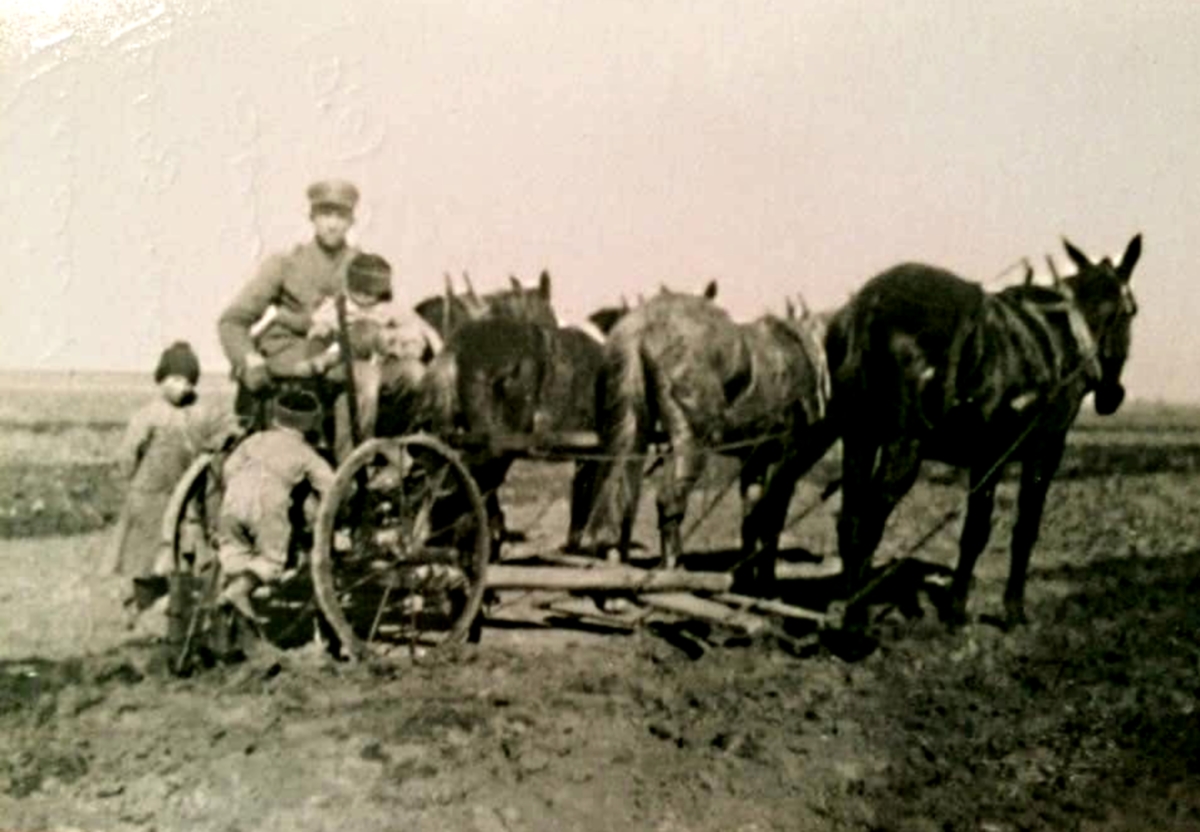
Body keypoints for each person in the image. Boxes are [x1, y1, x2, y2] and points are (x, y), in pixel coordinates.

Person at [217, 179, 361, 428]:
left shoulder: (362, 268)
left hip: (341, 367)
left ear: (351, 221)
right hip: (288, 369)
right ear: (312, 217)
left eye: (341, 216)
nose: (333, 224)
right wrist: (248, 358)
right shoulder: (285, 264)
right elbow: (232, 321)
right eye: (325, 214)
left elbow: (385, 317)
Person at [109, 342, 237, 610]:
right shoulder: (148, 416)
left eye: (189, 381)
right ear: (162, 379)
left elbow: (227, 427)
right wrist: (130, 486)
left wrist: (222, 438)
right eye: (176, 379)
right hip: (149, 495)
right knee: (144, 554)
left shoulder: (203, 411)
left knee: (186, 548)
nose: (183, 387)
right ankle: (144, 605)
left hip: (187, 494)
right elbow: (128, 456)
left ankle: (180, 602)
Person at [297, 251, 444, 459]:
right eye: (360, 293)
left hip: (378, 366)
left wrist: (435, 351)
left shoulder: (389, 308)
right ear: (351, 287)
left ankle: (400, 439)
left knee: (416, 373)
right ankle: (360, 455)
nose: (365, 300)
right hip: (341, 368)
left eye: (371, 294)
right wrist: (321, 351)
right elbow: (316, 342)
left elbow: (423, 329)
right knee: (367, 374)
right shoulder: (334, 309)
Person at [214, 389, 336, 622]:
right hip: (268, 504)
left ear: (275, 417)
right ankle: (236, 593)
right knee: (271, 561)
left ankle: (236, 623)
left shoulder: (254, 440)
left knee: (236, 556)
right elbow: (331, 487)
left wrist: (238, 491)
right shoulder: (305, 453)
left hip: (233, 500)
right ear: (309, 423)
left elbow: (228, 468)